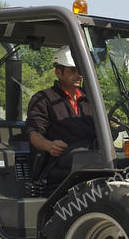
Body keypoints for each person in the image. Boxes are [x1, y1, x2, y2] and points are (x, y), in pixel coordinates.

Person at [25, 46, 96, 178]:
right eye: (73, 70)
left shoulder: (90, 99)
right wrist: (49, 145)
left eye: (80, 70)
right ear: (58, 72)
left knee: (128, 161)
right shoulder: (43, 99)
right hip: (61, 159)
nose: (79, 75)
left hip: (91, 153)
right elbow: (33, 133)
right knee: (90, 160)